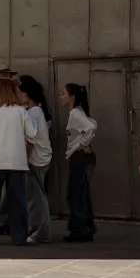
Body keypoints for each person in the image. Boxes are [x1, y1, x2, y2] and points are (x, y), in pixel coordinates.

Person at [0, 75, 42, 245]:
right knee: (17, 202)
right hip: (17, 162)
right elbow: (33, 133)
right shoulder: (20, 112)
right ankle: (19, 237)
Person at [17, 75, 54, 244]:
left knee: (36, 198)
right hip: (42, 158)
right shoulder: (37, 110)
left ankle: (39, 232)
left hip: (35, 160)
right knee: (38, 197)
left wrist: (23, 160)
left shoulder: (33, 112)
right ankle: (40, 231)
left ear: (25, 94)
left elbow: (30, 139)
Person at [61, 82, 97, 243]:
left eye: (63, 94)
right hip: (81, 157)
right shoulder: (79, 112)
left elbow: (90, 127)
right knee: (82, 194)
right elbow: (93, 123)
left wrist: (83, 143)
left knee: (74, 194)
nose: (61, 97)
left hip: (79, 156)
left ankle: (80, 229)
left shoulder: (75, 113)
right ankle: (86, 226)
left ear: (72, 97)